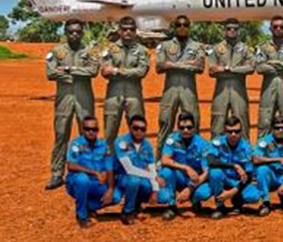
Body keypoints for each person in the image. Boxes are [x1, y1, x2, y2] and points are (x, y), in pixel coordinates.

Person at [45, 18, 99, 190]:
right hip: (64, 98)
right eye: (71, 32)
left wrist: (69, 70)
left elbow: (92, 71)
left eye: (78, 31)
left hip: (84, 98)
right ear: (65, 33)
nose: (74, 34)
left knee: (87, 134)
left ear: (82, 33)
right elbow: (50, 73)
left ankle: (89, 171)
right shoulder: (57, 51)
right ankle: (57, 173)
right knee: (61, 134)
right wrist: (77, 74)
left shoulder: (90, 51)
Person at [156, 16, 205, 158]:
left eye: (185, 25)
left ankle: (195, 160)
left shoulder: (197, 46)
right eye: (178, 25)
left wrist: (171, 64)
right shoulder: (164, 45)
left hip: (188, 90)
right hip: (170, 90)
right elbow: (159, 66)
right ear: (174, 27)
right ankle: (160, 160)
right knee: (165, 123)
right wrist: (187, 64)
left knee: (193, 124)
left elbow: (200, 67)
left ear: (189, 27)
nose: (182, 27)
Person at [100, 16, 150, 150]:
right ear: (119, 31)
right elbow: (105, 71)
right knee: (109, 133)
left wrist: (116, 70)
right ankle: (108, 166)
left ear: (135, 31)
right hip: (113, 95)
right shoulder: (110, 49)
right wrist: (129, 72)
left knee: (137, 132)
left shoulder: (142, 50)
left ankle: (138, 166)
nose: (128, 32)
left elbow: (141, 72)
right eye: (125, 29)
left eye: (131, 29)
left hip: (134, 95)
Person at [65, 115, 119, 228]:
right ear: (82, 129)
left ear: (98, 130)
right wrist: (95, 173)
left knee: (116, 196)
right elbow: (71, 165)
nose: (91, 132)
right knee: (82, 179)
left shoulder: (103, 145)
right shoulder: (77, 144)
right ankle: (82, 216)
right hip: (77, 181)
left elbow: (109, 166)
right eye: (87, 129)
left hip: (96, 182)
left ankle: (88, 206)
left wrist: (110, 188)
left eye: (94, 129)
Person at [114, 115, 168, 225]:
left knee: (158, 193)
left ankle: (136, 205)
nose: (139, 131)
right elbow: (129, 169)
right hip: (121, 178)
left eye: (142, 129)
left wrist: (155, 190)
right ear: (129, 128)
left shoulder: (146, 144)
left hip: (141, 177)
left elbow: (151, 167)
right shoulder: (121, 142)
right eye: (136, 128)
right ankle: (127, 212)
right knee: (134, 180)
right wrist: (154, 177)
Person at [159, 112, 213, 220]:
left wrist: (190, 188)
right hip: (179, 178)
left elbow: (206, 172)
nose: (185, 130)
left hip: (195, 180)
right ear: (178, 127)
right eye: (182, 127)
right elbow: (164, 160)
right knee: (166, 171)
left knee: (203, 193)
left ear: (194, 128)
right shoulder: (172, 139)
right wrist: (186, 168)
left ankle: (195, 200)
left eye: (189, 127)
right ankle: (171, 205)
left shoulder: (203, 144)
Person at [206, 116, 261, 219]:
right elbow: (210, 161)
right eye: (230, 131)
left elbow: (249, 176)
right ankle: (220, 207)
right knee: (214, 173)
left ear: (241, 131)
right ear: (225, 131)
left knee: (254, 196)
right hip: (222, 179)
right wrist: (235, 166)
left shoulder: (246, 147)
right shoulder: (217, 143)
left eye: (236, 131)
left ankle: (237, 203)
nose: (233, 134)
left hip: (237, 182)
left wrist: (233, 191)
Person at [208, 18, 255, 137]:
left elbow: (250, 68)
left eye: (235, 29)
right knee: (217, 122)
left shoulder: (245, 49)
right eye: (229, 29)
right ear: (224, 31)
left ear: (239, 31)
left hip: (238, 89)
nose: (232, 31)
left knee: (242, 120)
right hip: (221, 89)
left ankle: (244, 153)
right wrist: (239, 69)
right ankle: (216, 152)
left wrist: (227, 69)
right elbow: (212, 70)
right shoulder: (216, 48)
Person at [255, 16, 283, 139]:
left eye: (281, 26)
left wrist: (273, 63)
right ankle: (262, 150)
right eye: (275, 27)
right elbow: (259, 67)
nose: (278, 29)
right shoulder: (263, 47)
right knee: (264, 121)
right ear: (270, 28)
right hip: (268, 88)